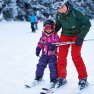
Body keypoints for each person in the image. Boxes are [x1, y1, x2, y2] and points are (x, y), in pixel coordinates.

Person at [53, 1, 91, 90]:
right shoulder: (58, 15)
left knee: (75, 56)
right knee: (61, 56)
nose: (61, 9)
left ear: (66, 4)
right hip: (65, 35)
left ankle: (83, 78)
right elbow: (57, 26)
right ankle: (61, 77)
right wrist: (51, 36)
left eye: (62, 7)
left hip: (77, 35)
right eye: (58, 8)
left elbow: (87, 24)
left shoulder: (75, 12)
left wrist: (81, 37)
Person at [33, 19, 59, 88]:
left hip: (52, 55)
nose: (48, 29)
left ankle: (53, 80)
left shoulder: (55, 36)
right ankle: (38, 77)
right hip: (44, 55)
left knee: (52, 67)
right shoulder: (43, 36)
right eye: (46, 27)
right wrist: (38, 48)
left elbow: (57, 43)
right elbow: (40, 43)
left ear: (53, 28)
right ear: (44, 28)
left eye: (50, 27)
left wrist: (53, 46)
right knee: (40, 66)